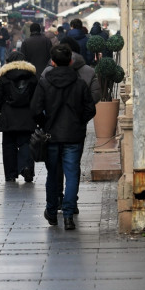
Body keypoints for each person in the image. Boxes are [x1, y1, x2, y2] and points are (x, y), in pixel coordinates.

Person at [31, 44, 96, 230]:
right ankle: (68, 215)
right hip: (73, 135)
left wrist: (45, 123)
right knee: (72, 174)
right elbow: (90, 108)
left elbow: (35, 109)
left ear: (52, 61)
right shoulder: (79, 83)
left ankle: (52, 211)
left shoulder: (44, 82)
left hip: (52, 136)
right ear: (70, 61)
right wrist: (78, 122)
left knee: (53, 174)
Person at [0, 52, 39, 183]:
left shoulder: (4, 77)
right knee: (27, 143)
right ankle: (26, 167)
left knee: (8, 146)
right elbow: (38, 98)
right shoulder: (32, 78)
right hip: (27, 116)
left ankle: (10, 174)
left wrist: (4, 109)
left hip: (9, 117)